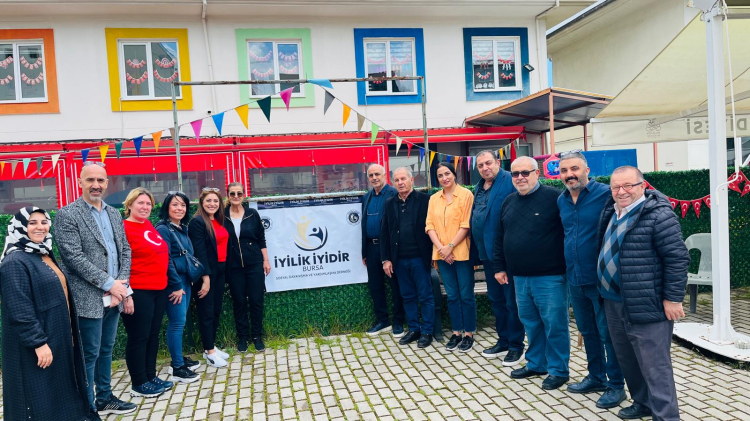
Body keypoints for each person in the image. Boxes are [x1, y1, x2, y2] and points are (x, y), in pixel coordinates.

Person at [597, 166, 689, 421]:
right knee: (628, 360)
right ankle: (643, 403)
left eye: (628, 185)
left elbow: (677, 258)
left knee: (655, 366)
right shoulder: (611, 211)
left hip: (647, 304)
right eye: (616, 187)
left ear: (643, 186)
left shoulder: (659, 215)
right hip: (613, 302)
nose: (621, 191)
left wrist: (673, 299)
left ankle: (667, 416)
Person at [55, 161, 137, 417]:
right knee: (88, 354)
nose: (96, 185)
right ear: (80, 182)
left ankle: (105, 398)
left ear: (107, 183)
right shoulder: (67, 214)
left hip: (115, 296)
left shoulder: (114, 213)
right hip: (88, 297)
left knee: (106, 349)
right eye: (90, 180)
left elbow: (125, 250)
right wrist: (110, 284)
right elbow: (73, 258)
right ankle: (87, 407)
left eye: (100, 180)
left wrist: (121, 285)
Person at [0, 207, 97, 421]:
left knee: (56, 393)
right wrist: (38, 343)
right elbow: (19, 309)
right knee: (37, 396)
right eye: (32, 222)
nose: (40, 227)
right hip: (36, 345)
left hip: (56, 336)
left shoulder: (42, 253)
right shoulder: (14, 261)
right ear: (20, 226)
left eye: (44, 222)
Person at [492, 156, 570, 390]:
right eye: (515, 174)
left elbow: (569, 232)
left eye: (525, 173)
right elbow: (500, 236)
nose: (520, 178)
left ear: (537, 173)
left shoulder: (555, 198)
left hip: (550, 277)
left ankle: (558, 370)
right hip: (519, 277)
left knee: (554, 325)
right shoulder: (509, 201)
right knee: (531, 323)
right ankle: (537, 364)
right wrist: (499, 266)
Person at [557, 151, 626, 408]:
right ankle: (596, 377)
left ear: (587, 170)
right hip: (575, 278)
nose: (569, 175)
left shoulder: (606, 194)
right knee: (588, 331)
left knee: (608, 333)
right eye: (564, 171)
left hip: (602, 279)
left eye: (574, 169)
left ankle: (616, 386)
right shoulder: (562, 200)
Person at [470, 150, 525, 366]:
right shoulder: (479, 187)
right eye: (480, 165)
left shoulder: (510, 181)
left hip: (506, 254)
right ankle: (503, 340)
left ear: (498, 162)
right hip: (487, 254)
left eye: (488, 163)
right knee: (497, 300)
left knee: (511, 302)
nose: (485, 168)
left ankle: (516, 345)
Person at [118, 188, 174, 398]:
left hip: (158, 289)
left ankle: (150, 376)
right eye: (140, 203)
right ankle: (139, 382)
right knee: (139, 337)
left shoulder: (148, 225)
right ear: (129, 205)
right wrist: (126, 294)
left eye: (148, 203)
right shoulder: (123, 228)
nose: (145, 207)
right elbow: (119, 263)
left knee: (152, 335)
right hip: (138, 291)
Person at [380, 167, 435, 349]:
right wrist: (386, 259)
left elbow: (433, 228)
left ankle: (427, 331)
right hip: (399, 260)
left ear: (412, 180)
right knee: (407, 296)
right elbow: (384, 232)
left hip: (420, 258)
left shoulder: (425, 200)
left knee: (425, 296)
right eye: (397, 180)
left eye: (403, 179)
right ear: (393, 183)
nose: (400, 182)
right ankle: (414, 329)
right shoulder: (389, 203)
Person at [426, 162, 476, 352]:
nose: (444, 178)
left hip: (462, 253)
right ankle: (456, 333)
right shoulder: (433, 199)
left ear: (454, 174)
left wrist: (450, 247)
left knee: (466, 295)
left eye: (447, 173)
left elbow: (466, 224)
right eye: (440, 175)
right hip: (441, 255)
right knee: (453, 296)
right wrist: (442, 249)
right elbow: (429, 226)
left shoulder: (466, 195)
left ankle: (468, 334)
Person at [155, 191, 201, 383]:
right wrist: (175, 285)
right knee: (176, 323)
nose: (179, 208)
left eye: (183, 205)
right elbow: (165, 259)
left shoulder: (182, 227)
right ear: (167, 207)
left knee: (179, 322)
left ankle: (179, 358)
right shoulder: (163, 229)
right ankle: (177, 367)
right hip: (174, 283)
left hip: (184, 279)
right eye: (175, 204)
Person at [225, 182, 271, 353]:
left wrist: (266, 260)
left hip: (254, 264)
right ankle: (242, 337)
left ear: (244, 196)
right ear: (228, 196)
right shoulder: (222, 215)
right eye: (232, 193)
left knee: (256, 300)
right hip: (233, 265)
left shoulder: (252, 214)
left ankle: (257, 336)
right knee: (238, 301)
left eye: (239, 193)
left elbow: (261, 238)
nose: (236, 196)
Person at [189, 187, 231, 368]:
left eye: (215, 201)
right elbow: (199, 252)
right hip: (206, 274)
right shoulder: (197, 222)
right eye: (208, 201)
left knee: (215, 310)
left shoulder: (219, 220)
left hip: (220, 271)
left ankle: (210, 347)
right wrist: (206, 278)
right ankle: (210, 352)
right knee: (206, 312)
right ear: (202, 203)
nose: (212, 204)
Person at [361, 164, 405, 338]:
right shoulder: (367, 197)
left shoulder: (394, 194)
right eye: (371, 175)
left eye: (377, 174)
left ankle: (398, 321)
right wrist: (364, 251)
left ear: (385, 175)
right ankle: (382, 320)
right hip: (371, 248)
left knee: (395, 285)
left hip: (390, 248)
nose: (374, 178)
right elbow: (363, 225)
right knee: (375, 286)